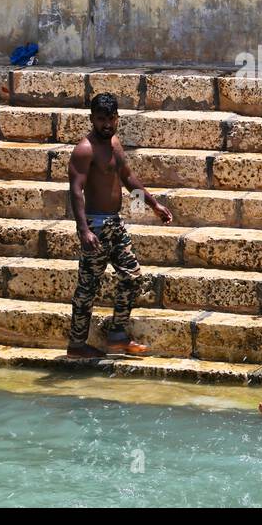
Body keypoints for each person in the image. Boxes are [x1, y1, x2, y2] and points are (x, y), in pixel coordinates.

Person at [65, 92, 172, 358]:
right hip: (95, 227)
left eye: (111, 119)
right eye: (101, 119)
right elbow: (75, 190)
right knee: (87, 288)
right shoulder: (84, 150)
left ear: (117, 119)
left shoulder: (114, 143)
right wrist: (84, 230)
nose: (107, 124)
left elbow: (128, 177)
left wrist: (154, 204)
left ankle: (117, 336)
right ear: (92, 119)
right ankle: (76, 344)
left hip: (115, 224)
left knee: (132, 276)